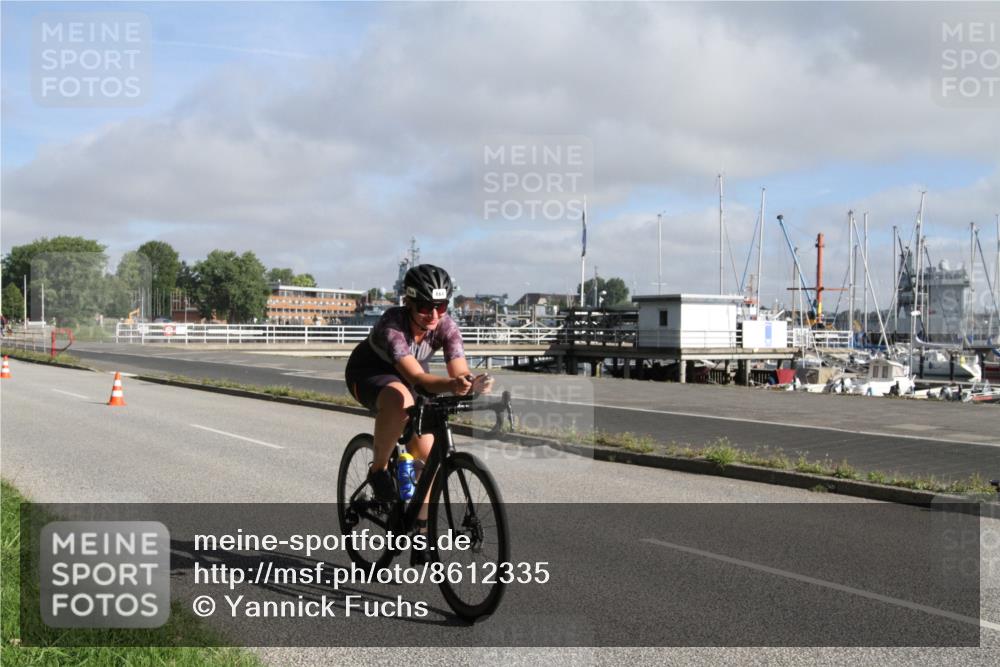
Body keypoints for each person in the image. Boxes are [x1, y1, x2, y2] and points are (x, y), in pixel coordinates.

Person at [345, 264, 491, 503]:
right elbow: (417, 378)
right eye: (425, 307)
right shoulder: (393, 324)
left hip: (411, 376)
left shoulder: (447, 326)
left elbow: (459, 371)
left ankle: (420, 522)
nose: (433, 315)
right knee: (399, 400)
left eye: (440, 307)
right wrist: (452, 385)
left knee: (427, 455)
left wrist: (472, 382)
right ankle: (378, 471)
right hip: (369, 372)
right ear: (408, 302)